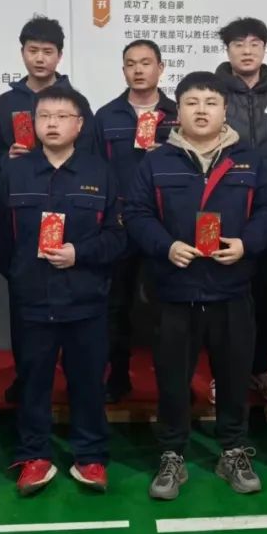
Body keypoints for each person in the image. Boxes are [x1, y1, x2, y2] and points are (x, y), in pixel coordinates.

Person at [125, 72, 267, 499]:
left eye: (211, 102)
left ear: (225, 110)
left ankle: (233, 450)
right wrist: (166, 246)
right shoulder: (156, 162)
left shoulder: (249, 160)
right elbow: (136, 214)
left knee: (234, 377)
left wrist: (247, 244)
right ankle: (172, 454)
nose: (202, 110)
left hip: (232, 290)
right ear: (178, 110)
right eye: (192, 102)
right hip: (175, 292)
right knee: (173, 380)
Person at [0, 86, 126, 495]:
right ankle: (34, 455)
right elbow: (0, 237)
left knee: (88, 380)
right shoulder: (14, 172)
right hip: (31, 299)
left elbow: (118, 237)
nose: (52, 123)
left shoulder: (101, 173)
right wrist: (21, 275)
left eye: (62, 116)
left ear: (79, 125)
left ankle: (90, 456)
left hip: (86, 298)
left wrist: (79, 255)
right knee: (32, 380)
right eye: (44, 116)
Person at [215, 17, 267, 404]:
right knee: (225, 302)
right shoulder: (213, 93)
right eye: (238, 44)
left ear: (265, 49)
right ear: (227, 50)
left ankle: (259, 370)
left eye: (254, 43)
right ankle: (224, 375)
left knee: (265, 299)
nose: (246, 51)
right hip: (225, 214)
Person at [94, 40, 178, 402]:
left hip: (166, 225)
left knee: (168, 306)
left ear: (161, 67)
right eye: (131, 64)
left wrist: (170, 153)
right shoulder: (106, 116)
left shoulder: (180, 113)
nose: (139, 70)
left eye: (146, 62)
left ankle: (172, 383)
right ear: (123, 70)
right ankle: (117, 377)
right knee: (116, 305)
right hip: (119, 224)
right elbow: (94, 169)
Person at [0, 15, 97, 167]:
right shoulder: (5, 103)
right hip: (19, 179)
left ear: (59, 56)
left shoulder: (76, 101)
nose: (39, 59)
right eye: (33, 51)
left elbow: (90, 149)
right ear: (22, 52)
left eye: (47, 52)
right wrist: (7, 158)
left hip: (67, 179)